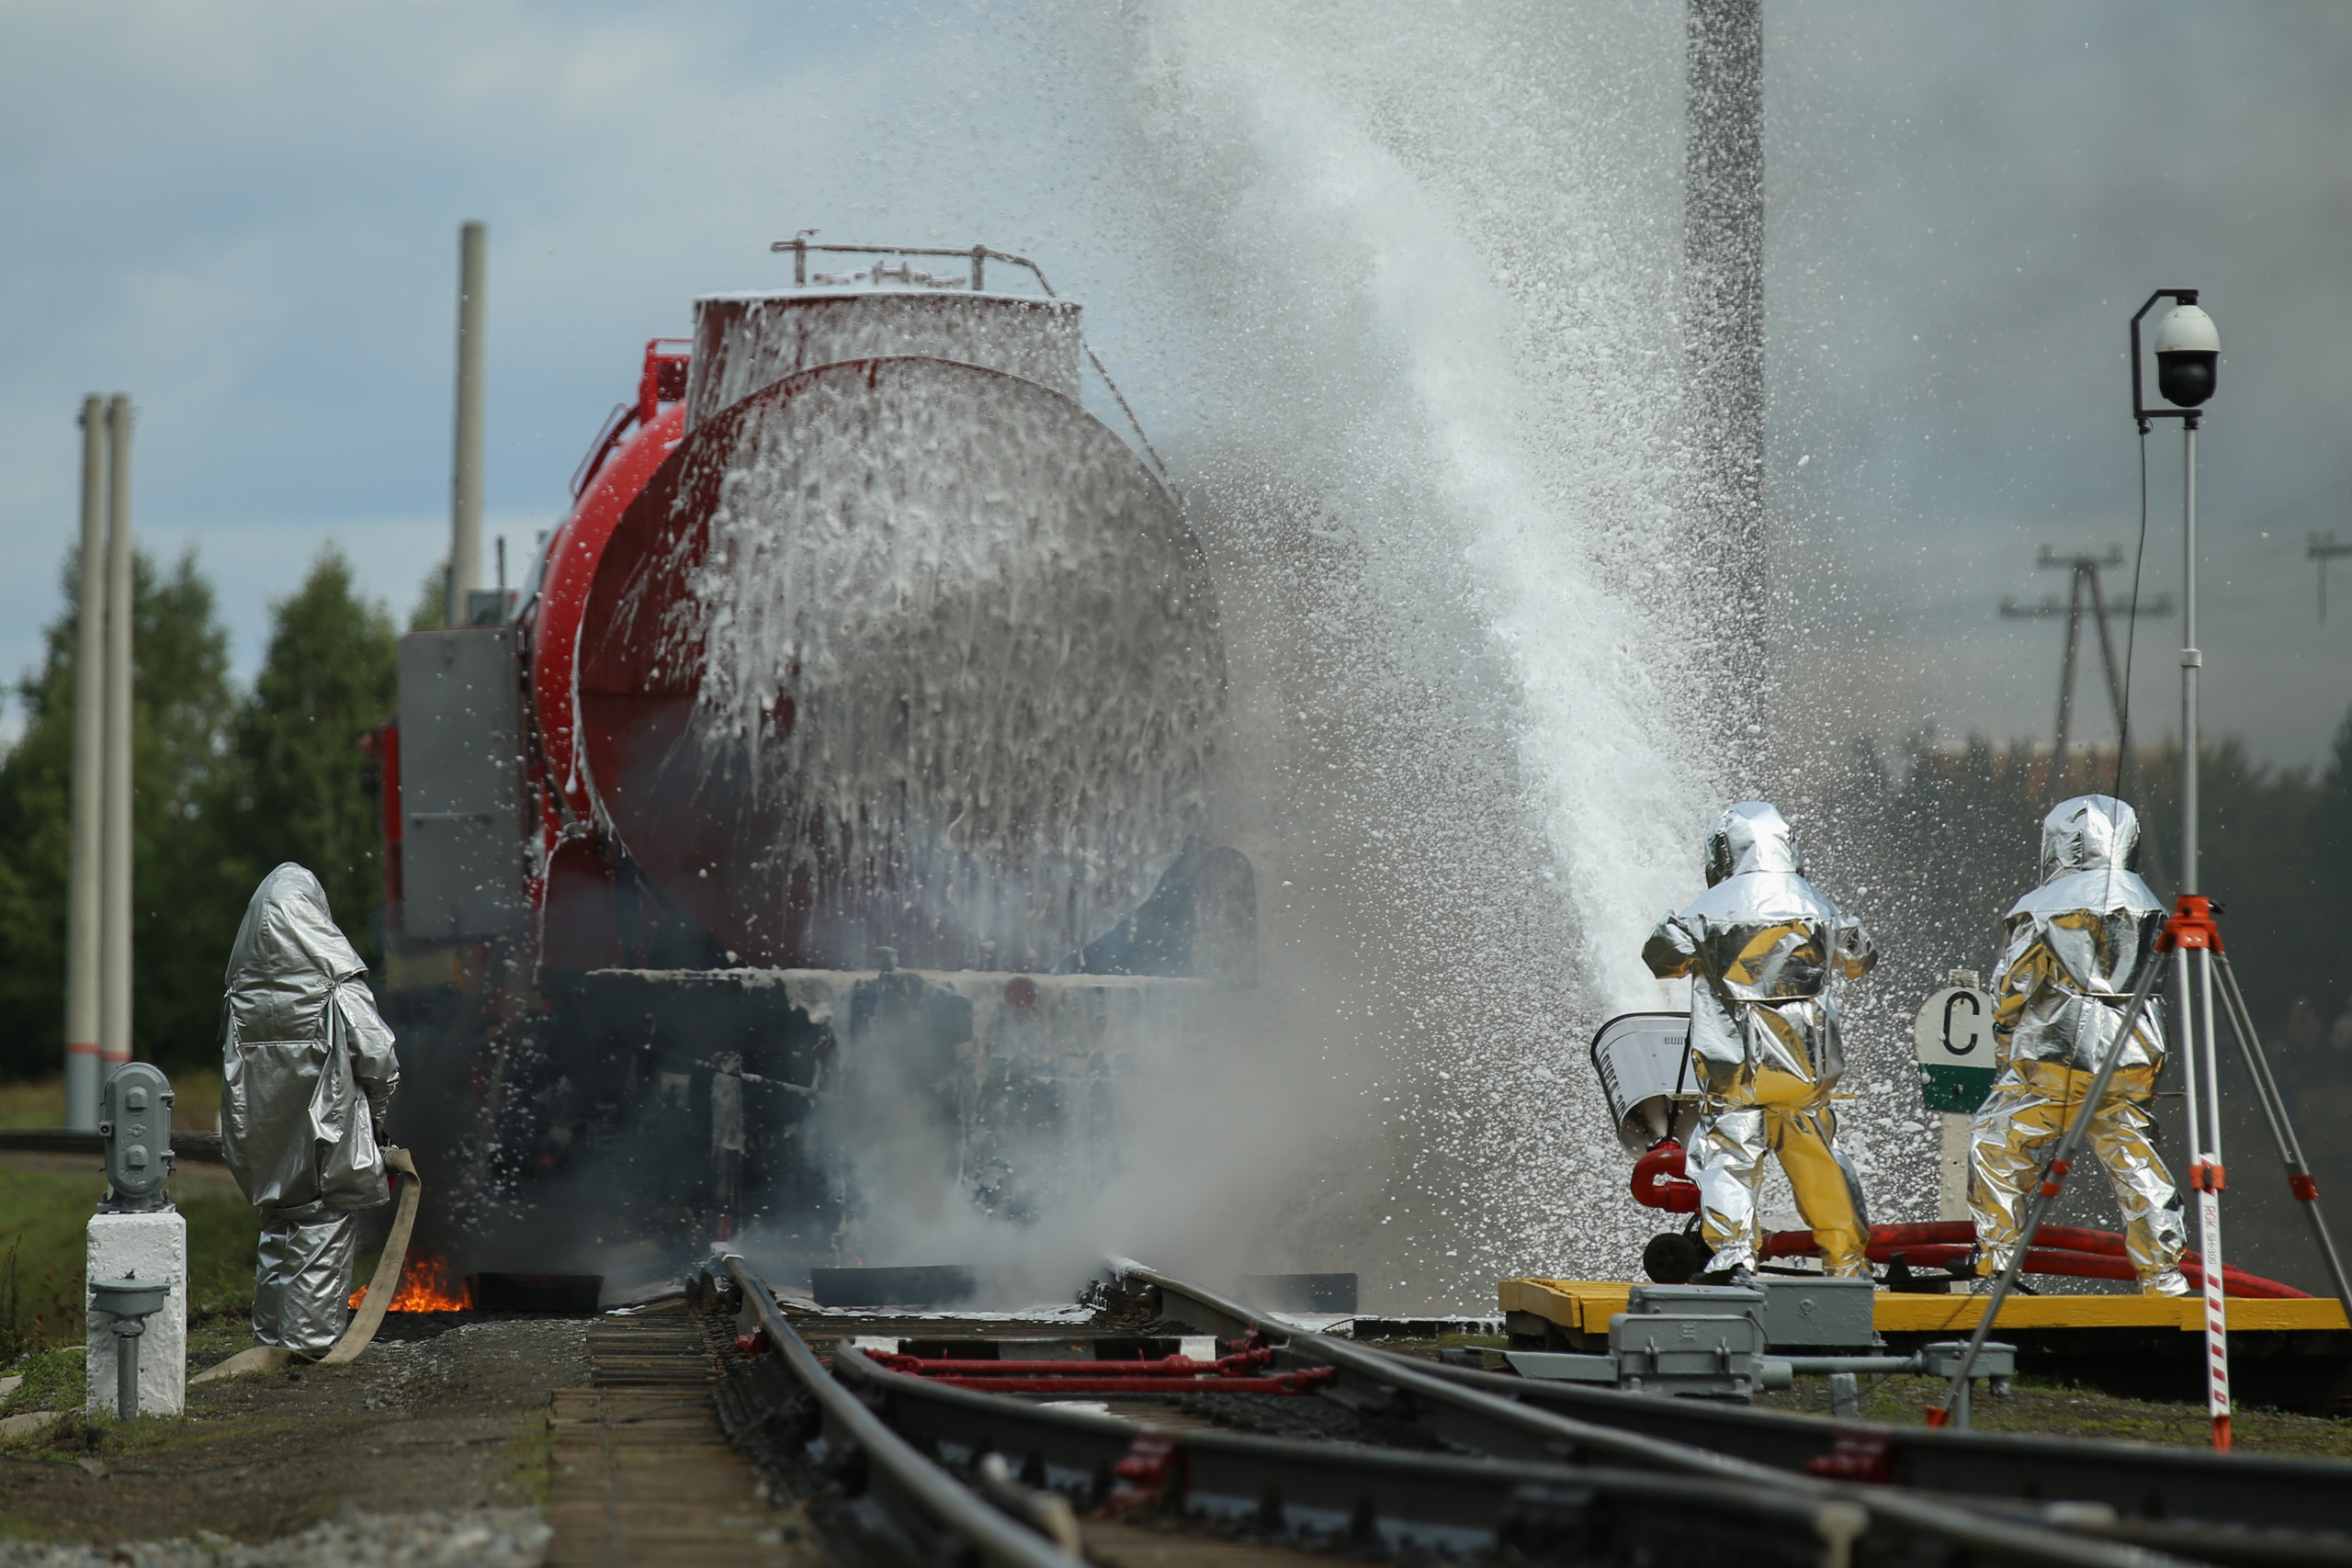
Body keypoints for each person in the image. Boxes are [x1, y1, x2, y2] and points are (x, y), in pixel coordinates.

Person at [1644, 802, 1878, 1281]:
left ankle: (1733, 1255)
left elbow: (1659, 958)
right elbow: (1861, 959)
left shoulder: (1703, 911)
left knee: (1728, 1160)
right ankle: (1847, 1262)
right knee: (1820, 1163)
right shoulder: (1820, 904)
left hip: (1737, 1075)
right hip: (1806, 1074)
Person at [1968, 795, 2187, 1295]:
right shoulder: (2149, 902)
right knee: (2133, 1155)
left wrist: (2004, 1038)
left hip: (2062, 1047)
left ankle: (1999, 1263)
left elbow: (2013, 986)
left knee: (1999, 1142)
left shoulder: (2046, 905)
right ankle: (2163, 1274)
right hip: (2138, 1045)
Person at [218, 863, 401, 1358]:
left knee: (278, 1228)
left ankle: (268, 1348)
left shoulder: (240, 992)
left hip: (267, 1141)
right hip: (329, 1138)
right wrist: (377, 1116)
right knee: (321, 1228)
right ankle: (305, 1351)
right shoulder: (336, 981)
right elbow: (379, 1057)